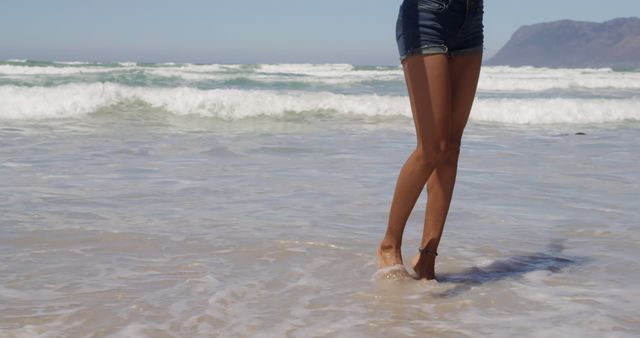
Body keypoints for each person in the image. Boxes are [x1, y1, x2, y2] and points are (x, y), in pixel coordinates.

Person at [377, 0, 484, 280]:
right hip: (426, 15)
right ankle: (389, 245)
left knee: (451, 147)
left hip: (471, 17)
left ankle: (427, 258)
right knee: (432, 148)